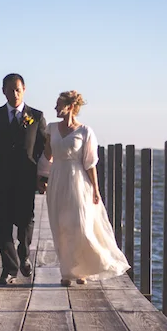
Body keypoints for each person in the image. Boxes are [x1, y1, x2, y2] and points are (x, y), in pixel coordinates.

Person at [37, 90, 129, 287]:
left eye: (58, 104)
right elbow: (47, 156)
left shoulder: (85, 131)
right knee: (60, 226)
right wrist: (42, 178)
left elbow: (89, 163)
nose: (55, 108)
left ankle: (82, 270)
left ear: (70, 107)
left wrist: (95, 189)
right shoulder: (51, 129)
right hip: (57, 179)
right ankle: (66, 272)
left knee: (80, 224)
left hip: (78, 180)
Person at [0, 73, 48, 285]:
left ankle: (24, 254)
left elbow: (45, 149)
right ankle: (9, 269)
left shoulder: (36, 116)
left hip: (26, 179)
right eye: (10, 90)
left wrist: (43, 177)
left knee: (26, 220)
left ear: (24, 89)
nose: (14, 94)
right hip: (1, 178)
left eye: (18, 89)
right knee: (3, 224)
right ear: (3, 91)